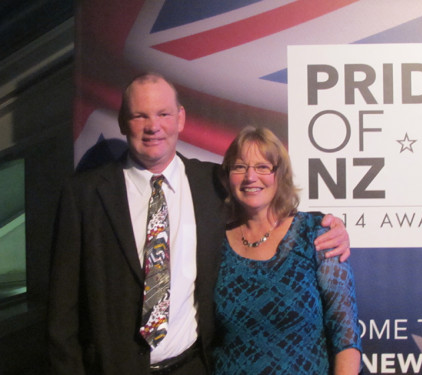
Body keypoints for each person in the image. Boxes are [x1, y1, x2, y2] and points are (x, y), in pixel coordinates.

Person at [47, 73, 351, 375]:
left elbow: (266, 203)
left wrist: (331, 226)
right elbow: (62, 315)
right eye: (140, 116)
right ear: (123, 121)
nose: (153, 126)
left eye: (163, 114)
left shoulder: (214, 183)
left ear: (180, 118)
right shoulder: (83, 195)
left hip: (194, 366)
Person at [212, 126, 362, 374]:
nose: (251, 177)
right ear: (228, 176)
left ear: (280, 175)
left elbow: (346, 334)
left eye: (263, 167)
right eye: (240, 167)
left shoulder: (317, 234)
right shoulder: (212, 242)